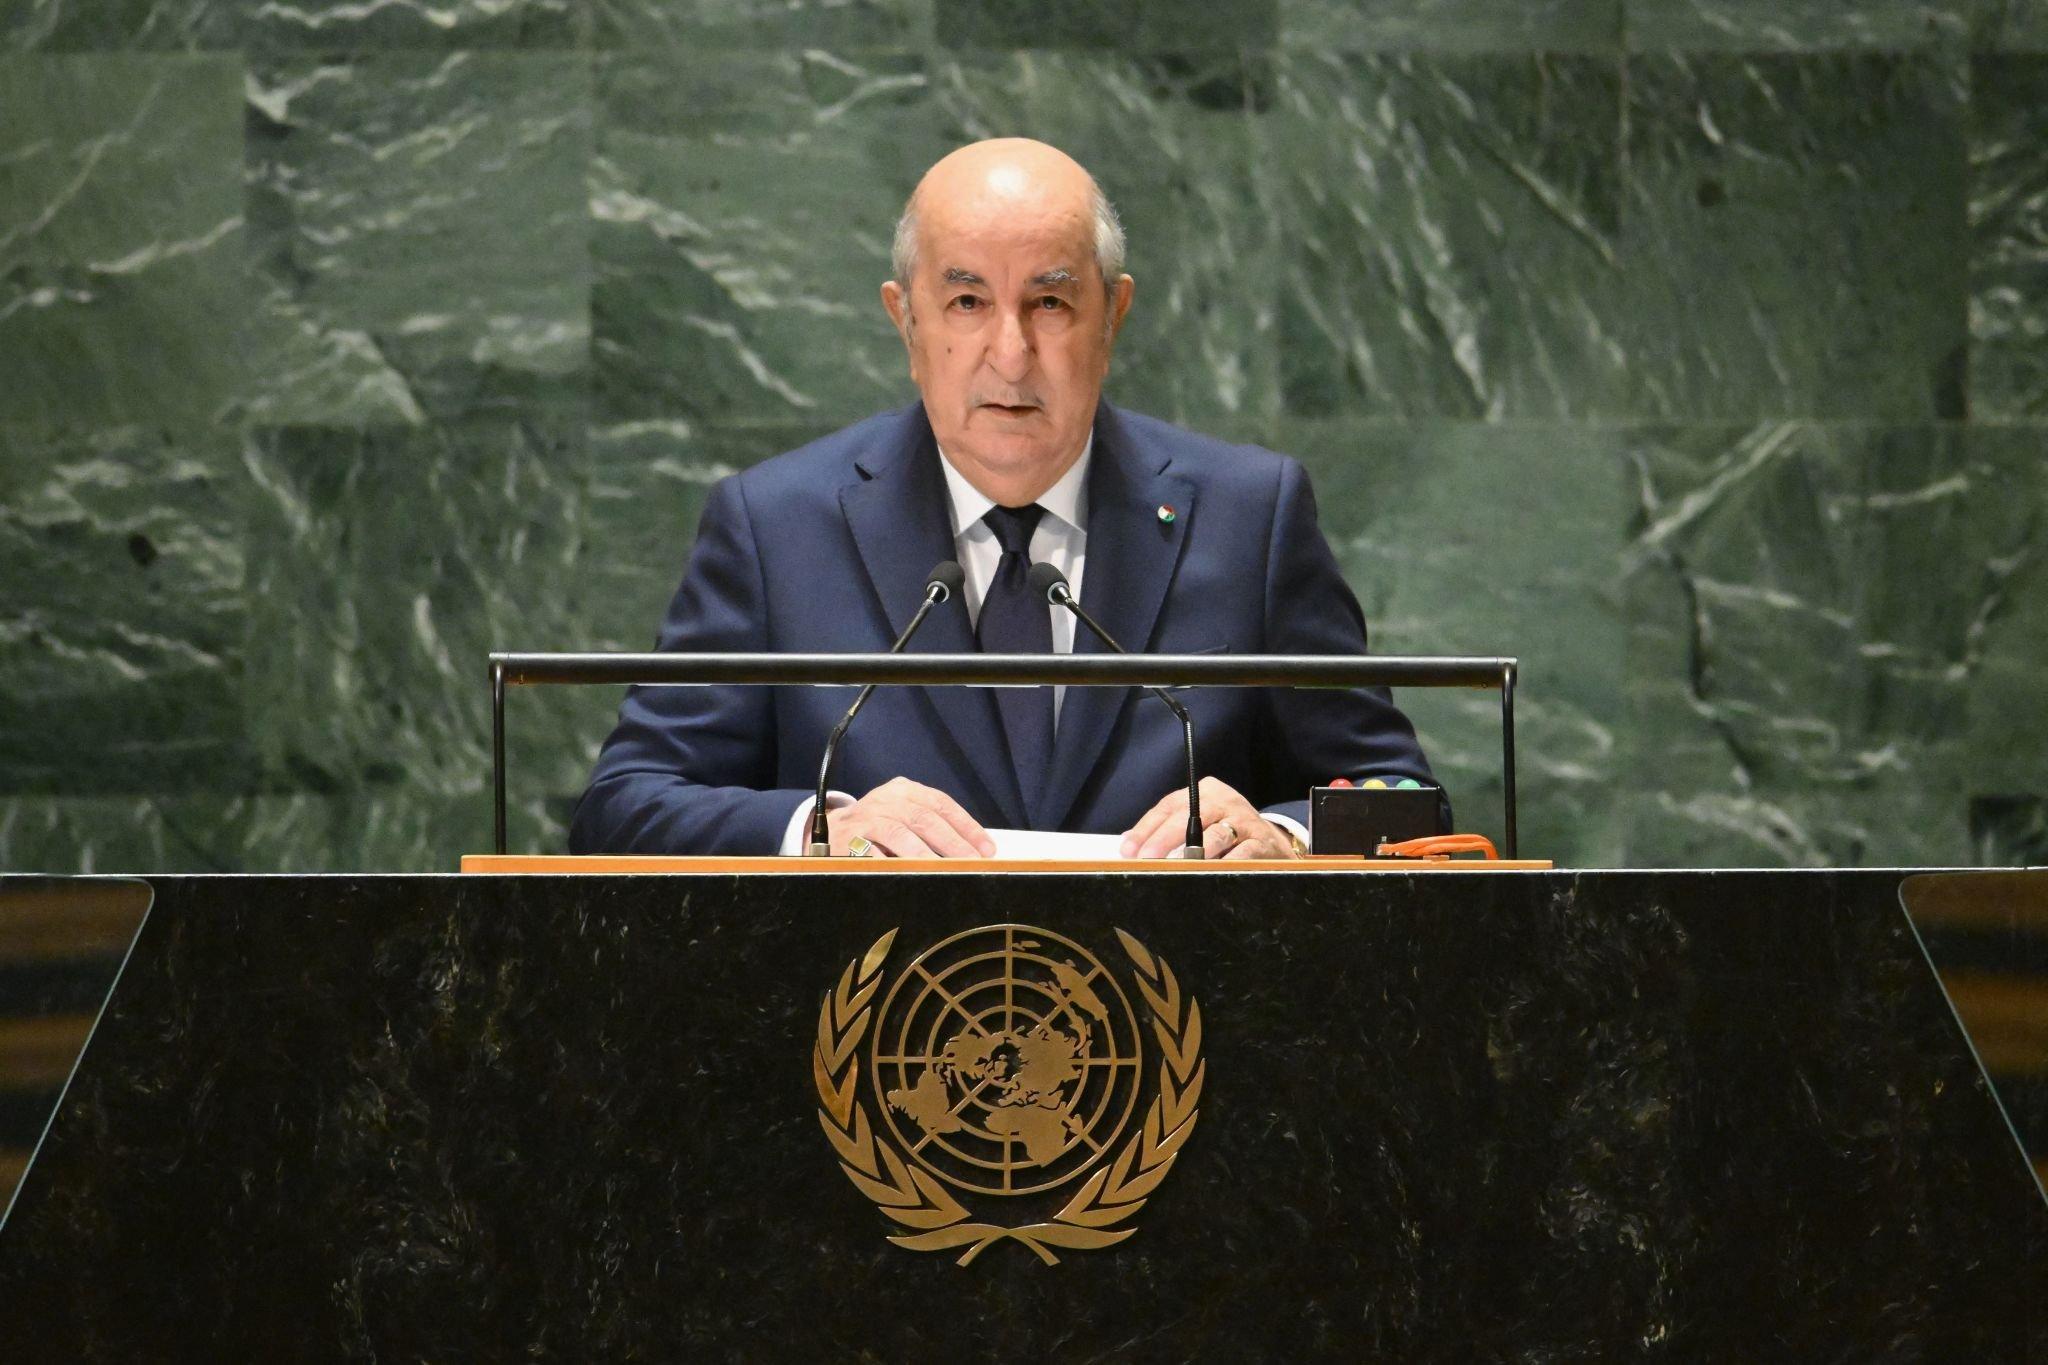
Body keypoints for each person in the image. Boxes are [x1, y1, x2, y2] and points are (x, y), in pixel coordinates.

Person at [570, 138, 1440, 859]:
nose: (1011, 353)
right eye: (966, 301)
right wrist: (817, 828)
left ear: (1113, 316)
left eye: (1050, 302)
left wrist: (1284, 835)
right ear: (906, 321)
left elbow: (1406, 801)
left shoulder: (1251, 516)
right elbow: (623, 806)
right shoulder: (776, 527)